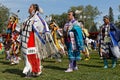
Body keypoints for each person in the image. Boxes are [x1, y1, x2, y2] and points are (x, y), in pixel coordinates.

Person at [21, 4, 46, 77]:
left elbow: (41, 28)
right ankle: (32, 70)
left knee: (31, 54)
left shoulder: (37, 18)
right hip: (25, 38)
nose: (28, 8)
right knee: (26, 54)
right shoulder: (28, 18)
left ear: (34, 9)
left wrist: (38, 34)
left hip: (32, 38)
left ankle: (34, 70)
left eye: (30, 7)